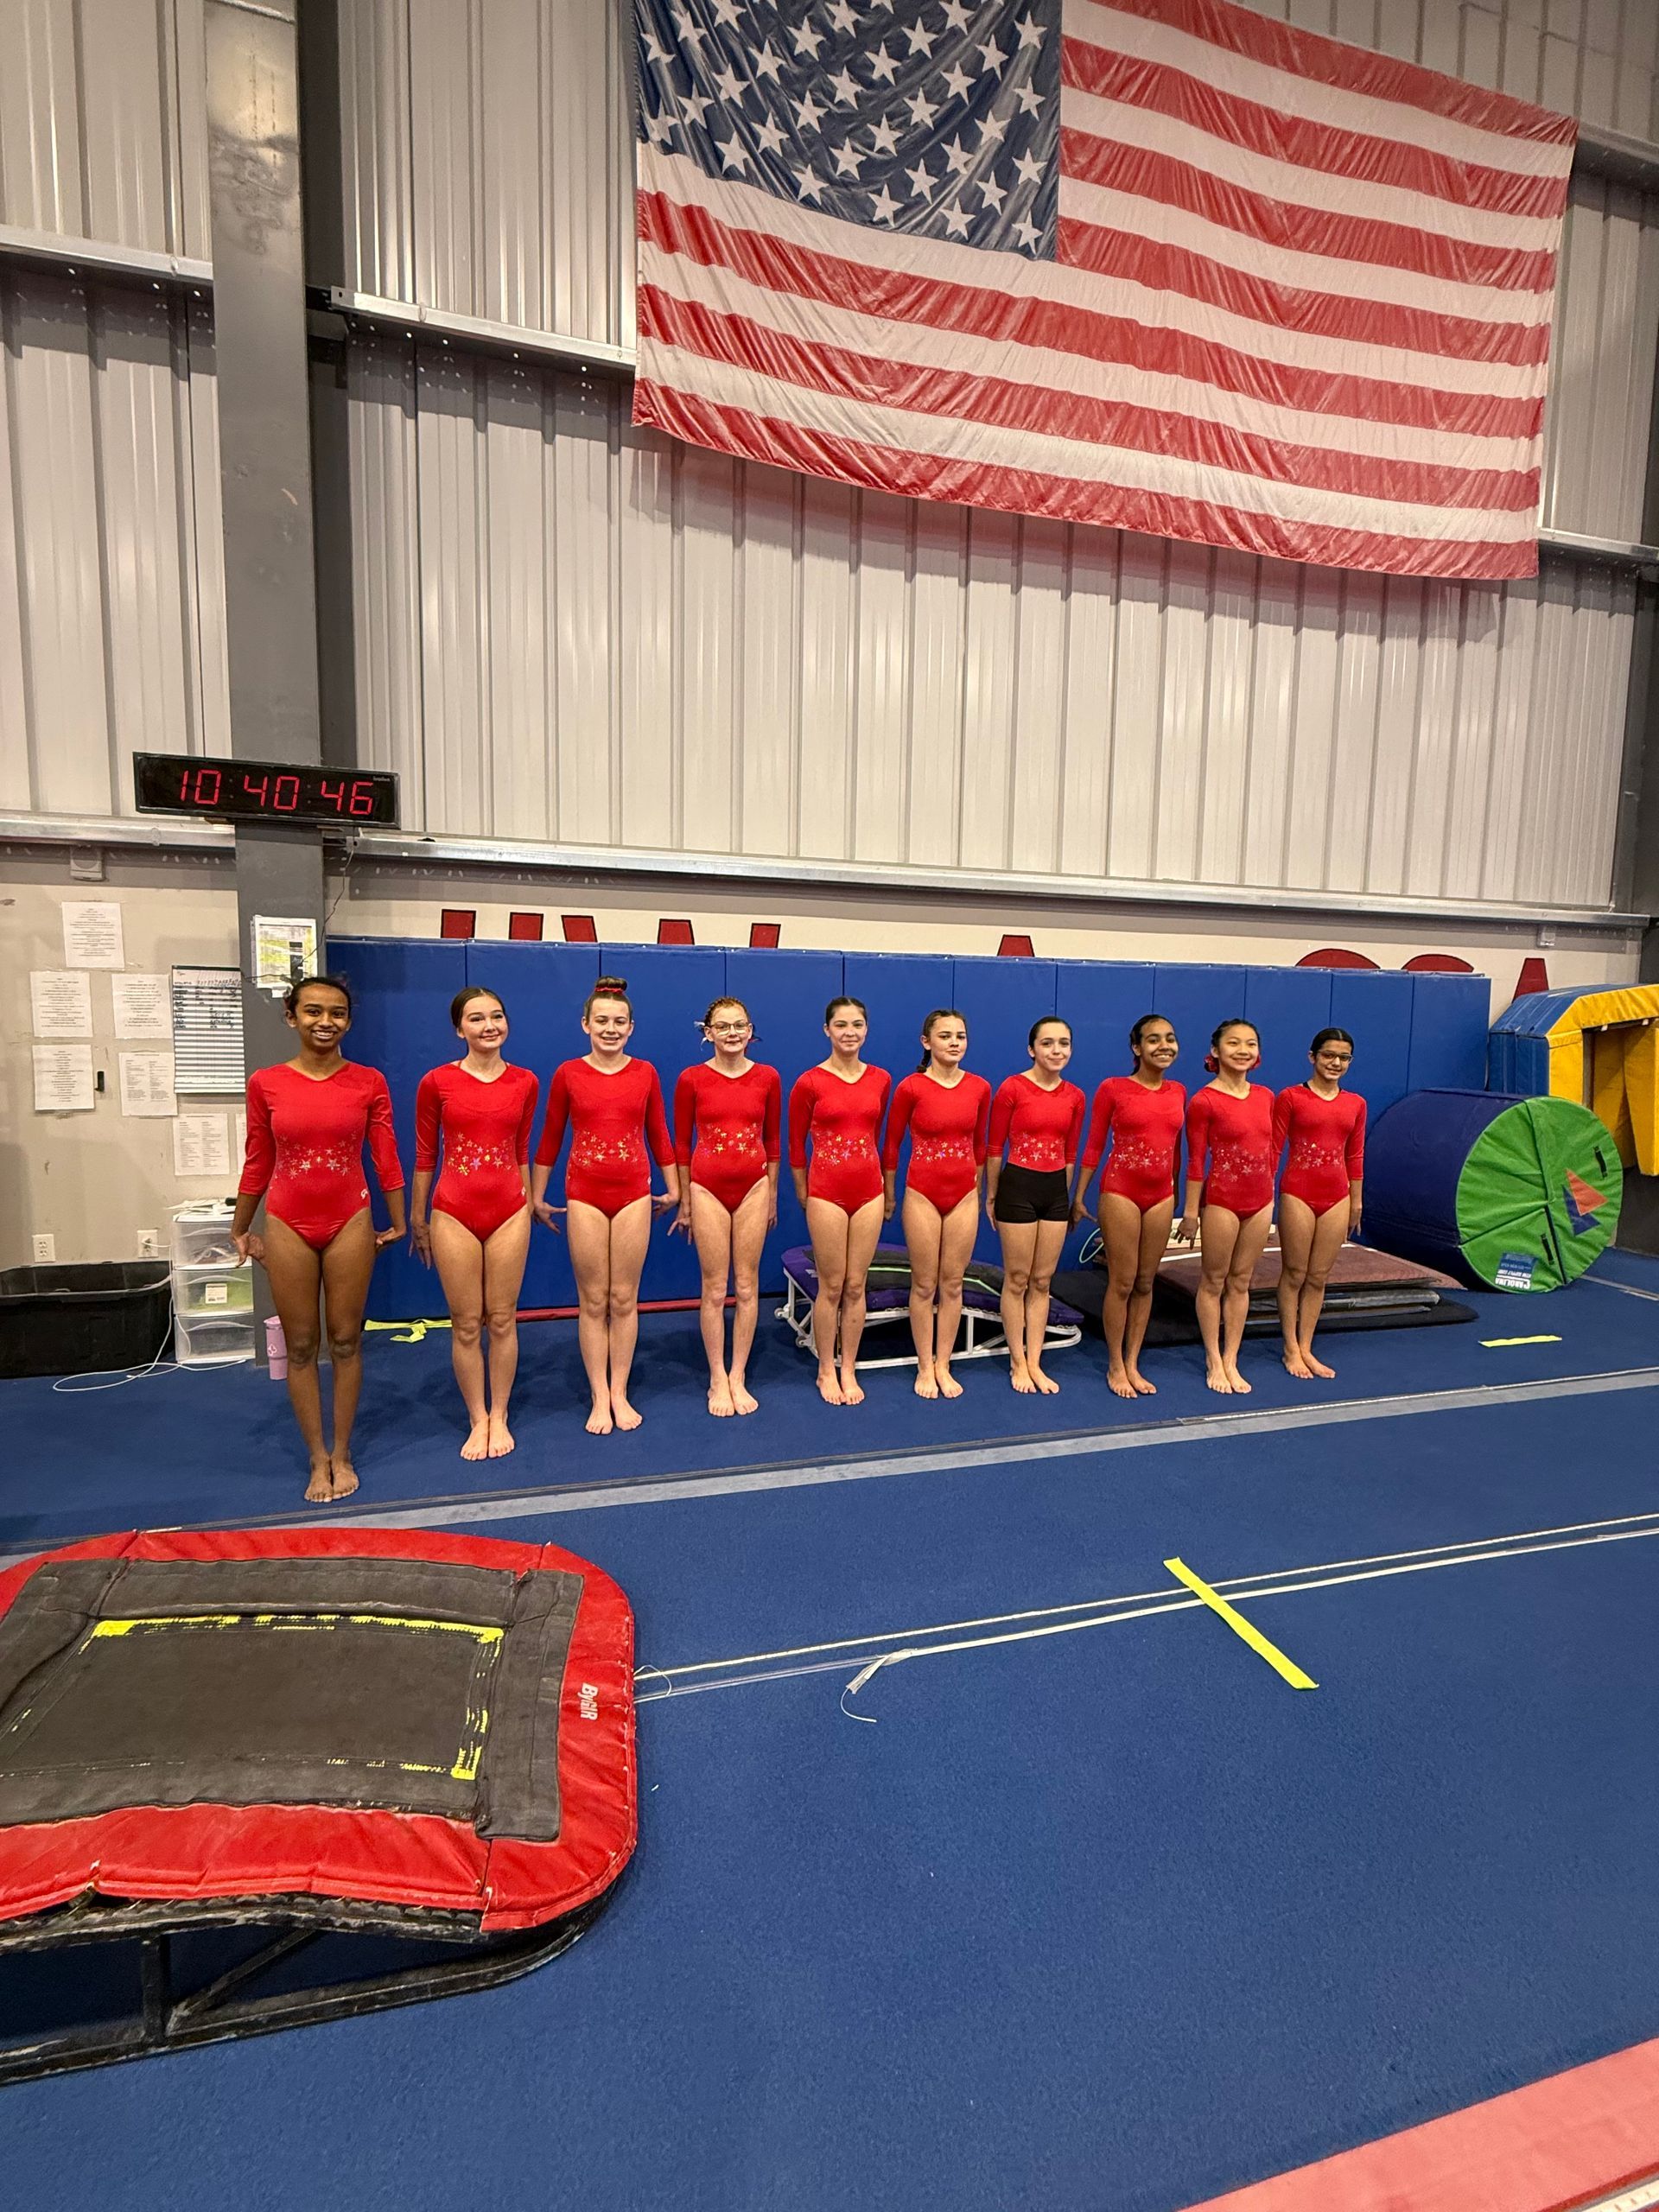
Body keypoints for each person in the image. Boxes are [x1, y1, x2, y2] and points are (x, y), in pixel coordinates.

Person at [232, 974, 405, 1503]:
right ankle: (316, 1456)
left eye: (336, 1012)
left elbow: (386, 1156)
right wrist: (240, 1228)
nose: (325, 1021)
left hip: (349, 1217)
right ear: (292, 1017)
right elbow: (258, 1158)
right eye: (313, 1011)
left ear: (348, 1020)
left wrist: (398, 1221)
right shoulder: (267, 1082)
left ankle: (343, 1451)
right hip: (286, 1220)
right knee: (302, 1345)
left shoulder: (369, 1081)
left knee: (347, 1339)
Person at [530, 977, 678, 1435]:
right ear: (585, 1025)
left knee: (624, 1297)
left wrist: (673, 1188)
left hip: (634, 1191)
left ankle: (620, 1391)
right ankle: (598, 1395)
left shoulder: (645, 1072)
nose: (610, 1029)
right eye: (602, 1022)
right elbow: (552, 1135)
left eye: (619, 1022)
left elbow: (659, 1132)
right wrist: (537, 1195)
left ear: (631, 1027)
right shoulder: (569, 1073)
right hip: (585, 1194)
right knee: (593, 1299)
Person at [409, 988, 538, 1460]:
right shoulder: (436, 1082)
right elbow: (425, 1156)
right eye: (477, 1018)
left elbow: (522, 1149)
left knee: (502, 1318)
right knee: (465, 1323)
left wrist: (524, 1203)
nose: (489, 1026)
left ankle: (499, 1413)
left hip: (508, 1208)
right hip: (452, 1209)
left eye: (497, 1016)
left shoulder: (525, 1082)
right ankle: (476, 1417)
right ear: (458, 1029)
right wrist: (418, 1218)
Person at [673, 997, 781, 1417]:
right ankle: (717, 1375)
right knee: (715, 1286)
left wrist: (771, 1194)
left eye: (740, 1026)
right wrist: (684, 1198)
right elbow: (682, 1144)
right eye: (723, 1026)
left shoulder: (768, 1077)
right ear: (708, 1033)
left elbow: (773, 1141)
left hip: (754, 1186)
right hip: (706, 1187)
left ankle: (739, 1374)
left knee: (748, 1284)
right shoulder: (691, 1079)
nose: (733, 1033)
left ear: (750, 1031)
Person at [882, 1010, 992, 1399]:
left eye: (960, 1035)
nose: (954, 1042)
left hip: (963, 1192)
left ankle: (944, 1363)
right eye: (945, 1036)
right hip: (922, 1192)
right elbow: (892, 1144)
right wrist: (890, 1193)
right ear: (926, 1042)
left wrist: (979, 1190)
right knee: (925, 1282)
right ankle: (924, 1365)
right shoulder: (912, 1087)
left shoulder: (979, 1087)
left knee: (953, 1282)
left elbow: (980, 1144)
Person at [788, 996, 891, 1407]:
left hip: (868, 1189)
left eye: (858, 1025)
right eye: (841, 1025)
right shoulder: (810, 1082)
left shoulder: (881, 1079)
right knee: (831, 1284)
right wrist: (803, 1191)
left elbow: (876, 1136)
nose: (850, 1032)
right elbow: (796, 1145)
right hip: (826, 1191)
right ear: (826, 1030)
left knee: (856, 1283)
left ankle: (849, 1365)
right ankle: (825, 1368)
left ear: (867, 1030)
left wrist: (884, 1188)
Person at [1076, 1014, 1185, 1400]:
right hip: (1120, 1190)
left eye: (1170, 1039)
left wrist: (1180, 1201)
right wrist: (1079, 1195)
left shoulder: (1178, 1092)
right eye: (1153, 1040)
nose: (1164, 1046)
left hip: (1161, 1195)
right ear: (1137, 1048)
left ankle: (1134, 1360)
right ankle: (1115, 1364)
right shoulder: (1113, 1088)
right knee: (1122, 1281)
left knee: (1145, 1281)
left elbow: (1176, 1151)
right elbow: (1093, 1144)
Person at [986, 1017, 1084, 1395]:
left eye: (1063, 1043)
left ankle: (1035, 1361)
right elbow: (995, 1148)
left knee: (1042, 1281)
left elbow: (1071, 1151)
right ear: (1032, 1050)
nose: (1056, 1051)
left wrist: (1068, 1196)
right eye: (1047, 1044)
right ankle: (1017, 1363)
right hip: (1018, 1185)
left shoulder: (1075, 1096)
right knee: (1017, 1278)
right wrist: (991, 1196)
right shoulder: (1013, 1088)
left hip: (1054, 1189)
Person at [1178, 1019, 1276, 1395]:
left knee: (1242, 1281)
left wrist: (1270, 1192)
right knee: (1215, 1280)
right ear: (1215, 1051)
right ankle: (1213, 1358)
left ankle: (1232, 1357)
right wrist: (1190, 1211)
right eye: (1233, 1043)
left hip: (1260, 1198)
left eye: (1250, 1044)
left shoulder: (1267, 1097)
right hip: (1221, 1199)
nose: (1242, 1050)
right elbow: (1196, 1161)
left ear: (1258, 1053)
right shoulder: (1204, 1101)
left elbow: (1270, 1150)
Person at [1274, 1027, 1366, 1381]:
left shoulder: (1355, 1103)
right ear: (1312, 1057)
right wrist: (1266, 1194)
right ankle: (1290, 1348)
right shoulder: (1291, 1098)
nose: (1336, 1063)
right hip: (1297, 1191)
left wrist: (1356, 1201)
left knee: (1318, 1276)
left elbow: (1355, 1154)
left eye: (1344, 1058)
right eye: (1328, 1055)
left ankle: (1307, 1345)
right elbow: (1273, 1149)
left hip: (1337, 1195)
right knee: (1295, 1272)